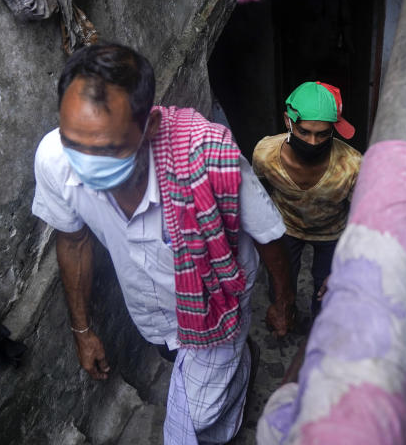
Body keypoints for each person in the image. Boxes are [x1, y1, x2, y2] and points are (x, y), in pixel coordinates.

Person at [31, 43, 295, 444]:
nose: (87, 163)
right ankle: (236, 368)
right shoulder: (53, 159)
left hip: (218, 301)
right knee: (176, 362)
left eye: (108, 148)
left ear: (150, 126)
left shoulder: (208, 158)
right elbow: (73, 240)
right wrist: (82, 330)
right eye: (75, 142)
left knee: (196, 420)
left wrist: (283, 300)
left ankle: (236, 379)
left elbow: (268, 235)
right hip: (150, 310)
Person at [252, 81, 362, 320]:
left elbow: (362, 217)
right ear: (288, 122)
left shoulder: (352, 166)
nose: (313, 142)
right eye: (304, 132)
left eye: (322, 134)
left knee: (328, 294)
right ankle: (286, 319)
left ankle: (319, 334)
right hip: (286, 228)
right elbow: (257, 194)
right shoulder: (265, 154)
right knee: (281, 287)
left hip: (332, 233)